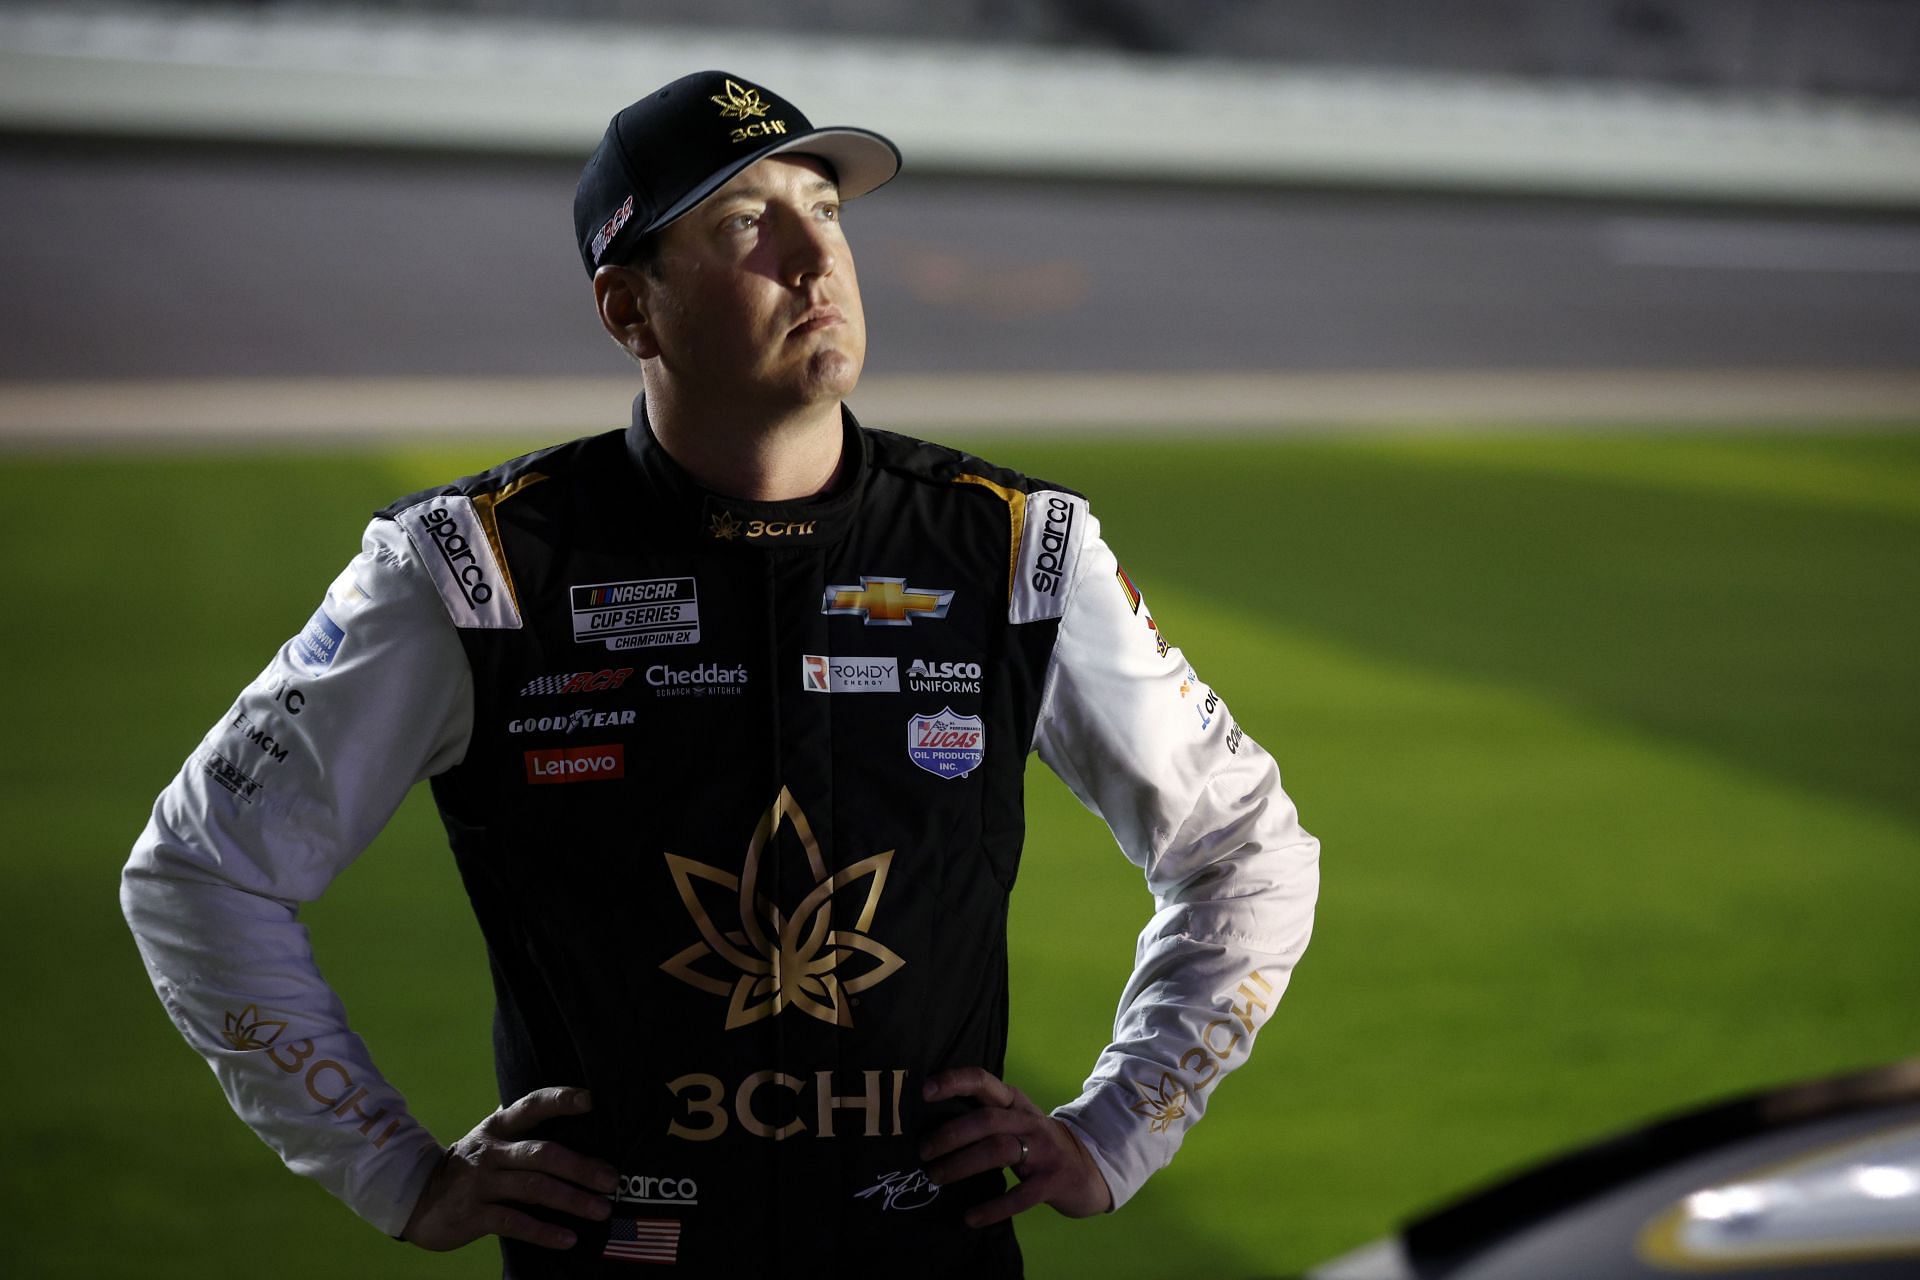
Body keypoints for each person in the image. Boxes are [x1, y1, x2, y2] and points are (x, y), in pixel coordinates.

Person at [121, 70, 1319, 1277]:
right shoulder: (469, 566)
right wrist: (391, 1165)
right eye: (746, 222)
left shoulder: (1015, 546)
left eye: (828, 209)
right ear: (628, 309)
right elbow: (198, 869)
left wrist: (1124, 1124)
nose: (817, 257)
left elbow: (1248, 847)